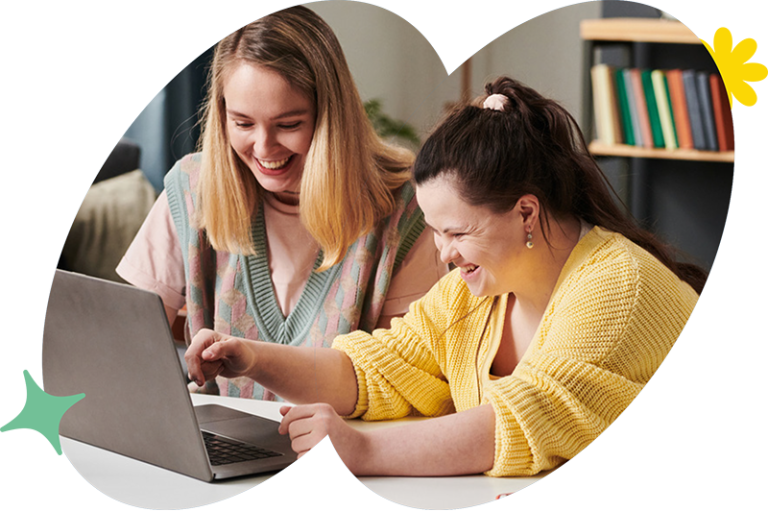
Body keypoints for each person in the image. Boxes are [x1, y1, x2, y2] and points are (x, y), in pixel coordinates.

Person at [184, 76, 704, 477]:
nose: (444, 254)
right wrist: (252, 358)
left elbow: (526, 419)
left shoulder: (616, 286)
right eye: (434, 231)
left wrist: (360, 448)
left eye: (457, 232)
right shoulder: (473, 293)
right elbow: (374, 372)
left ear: (526, 212)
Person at [116, 6, 448, 399]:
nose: (263, 147)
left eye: (288, 125)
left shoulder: (406, 209)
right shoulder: (191, 188)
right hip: (221, 446)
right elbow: (123, 349)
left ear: (331, 118)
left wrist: (257, 359)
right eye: (242, 123)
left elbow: (403, 383)